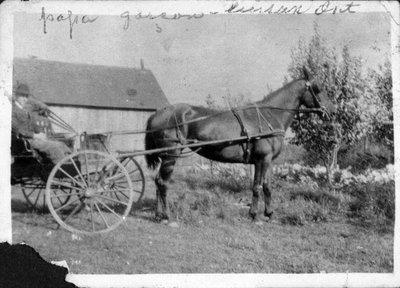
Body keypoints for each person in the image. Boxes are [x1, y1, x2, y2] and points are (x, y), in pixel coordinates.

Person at [11, 83, 71, 165]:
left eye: (26, 96)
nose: (25, 99)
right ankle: (63, 168)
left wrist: (39, 132)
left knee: (61, 144)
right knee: (55, 147)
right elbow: (18, 129)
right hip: (27, 141)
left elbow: (31, 125)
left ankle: (71, 161)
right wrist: (35, 135)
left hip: (32, 139)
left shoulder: (24, 111)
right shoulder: (13, 111)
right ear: (16, 96)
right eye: (22, 96)